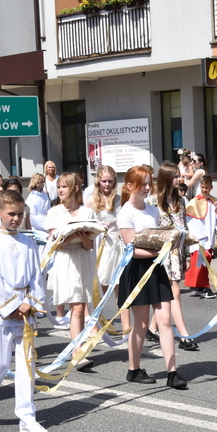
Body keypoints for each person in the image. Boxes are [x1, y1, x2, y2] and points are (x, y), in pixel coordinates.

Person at [0, 190, 48, 432]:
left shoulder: (28, 242)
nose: (16, 219)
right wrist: (12, 306)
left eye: (19, 214)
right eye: (11, 214)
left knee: (27, 363)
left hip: (25, 310)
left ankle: (27, 417)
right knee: (1, 363)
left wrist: (33, 303)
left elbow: (36, 277)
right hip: (0, 311)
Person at [117, 166, 187, 388]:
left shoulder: (153, 210)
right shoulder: (125, 212)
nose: (148, 188)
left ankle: (172, 372)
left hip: (156, 268)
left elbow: (156, 237)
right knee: (142, 322)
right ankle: (134, 369)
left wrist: (171, 241)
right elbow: (132, 248)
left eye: (150, 183)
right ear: (130, 186)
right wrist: (161, 250)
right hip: (136, 270)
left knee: (165, 319)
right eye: (143, 184)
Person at [45, 172, 97, 371]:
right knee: (75, 306)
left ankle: (78, 350)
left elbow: (89, 245)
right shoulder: (55, 212)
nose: (60, 190)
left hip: (82, 259)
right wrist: (68, 236)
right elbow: (55, 245)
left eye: (64, 186)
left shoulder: (87, 212)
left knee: (80, 307)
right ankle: (78, 351)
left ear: (75, 188)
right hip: (65, 260)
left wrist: (83, 237)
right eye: (59, 186)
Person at [145, 162, 197, 351]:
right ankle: (184, 336)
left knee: (168, 293)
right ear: (167, 178)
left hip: (176, 253)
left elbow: (185, 228)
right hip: (160, 254)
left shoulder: (180, 201)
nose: (180, 179)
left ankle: (152, 328)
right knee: (174, 291)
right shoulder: (152, 202)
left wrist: (187, 253)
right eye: (176, 176)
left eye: (179, 176)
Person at [90, 166, 129, 330]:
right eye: (104, 181)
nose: (107, 184)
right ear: (98, 180)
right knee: (99, 288)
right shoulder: (91, 200)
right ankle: (95, 325)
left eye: (110, 181)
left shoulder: (120, 199)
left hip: (116, 245)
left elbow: (125, 221)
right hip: (99, 245)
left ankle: (126, 327)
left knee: (120, 289)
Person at [185, 175, 217, 300]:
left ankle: (200, 286)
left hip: (210, 238)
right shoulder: (194, 202)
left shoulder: (214, 201)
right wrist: (201, 236)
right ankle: (203, 286)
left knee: (207, 262)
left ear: (211, 187)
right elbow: (192, 221)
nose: (204, 190)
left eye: (207, 187)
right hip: (201, 239)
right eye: (202, 187)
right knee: (201, 262)